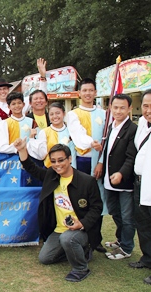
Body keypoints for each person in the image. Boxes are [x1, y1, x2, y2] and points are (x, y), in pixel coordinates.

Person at [14, 141, 102, 282]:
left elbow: (97, 208)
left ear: (70, 159)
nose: (57, 164)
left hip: (83, 230)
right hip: (59, 229)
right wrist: (22, 149)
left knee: (68, 238)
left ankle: (81, 268)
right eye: (53, 161)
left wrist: (81, 223)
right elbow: (31, 168)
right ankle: (79, 251)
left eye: (61, 160)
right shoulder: (51, 175)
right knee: (45, 258)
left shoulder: (87, 181)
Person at [66, 78, 107, 253]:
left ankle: (96, 239)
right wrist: (91, 143)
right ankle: (81, 238)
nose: (88, 93)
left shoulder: (104, 114)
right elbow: (78, 135)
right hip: (81, 161)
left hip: (98, 161)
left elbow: (108, 141)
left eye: (91, 90)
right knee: (80, 200)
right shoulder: (73, 114)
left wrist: (101, 161)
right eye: (85, 90)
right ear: (79, 93)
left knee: (97, 201)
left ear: (95, 93)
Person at [98, 94, 137, 260]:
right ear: (110, 108)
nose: (118, 111)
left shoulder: (133, 129)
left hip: (124, 182)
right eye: (115, 107)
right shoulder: (110, 126)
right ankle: (121, 239)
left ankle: (127, 248)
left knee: (127, 217)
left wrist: (121, 173)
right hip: (109, 180)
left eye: (122, 108)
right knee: (115, 212)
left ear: (129, 109)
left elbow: (131, 157)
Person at [129, 90, 151, 284]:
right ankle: (148, 257)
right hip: (140, 182)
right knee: (143, 223)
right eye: (145, 105)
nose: (148, 110)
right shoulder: (143, 124)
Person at [0, 92, 41, 158]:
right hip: (11, 160)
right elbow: (0, 147)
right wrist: (17, 148)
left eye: (19, 103)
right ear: (9, 106)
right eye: (13, 104)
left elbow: (39, 141)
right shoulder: (4, 124)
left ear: (23, 104)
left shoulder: (31, 122)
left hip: (30, 159)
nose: (17, 106)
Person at [30, 102, 76, 168]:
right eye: (51, 114)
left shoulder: (71, 131)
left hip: (68, 169)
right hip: (50, 170)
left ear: (64, 114)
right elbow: (42, 154)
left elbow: (73, 154)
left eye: (58, 113)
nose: (55, 116)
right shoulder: (44, 132)